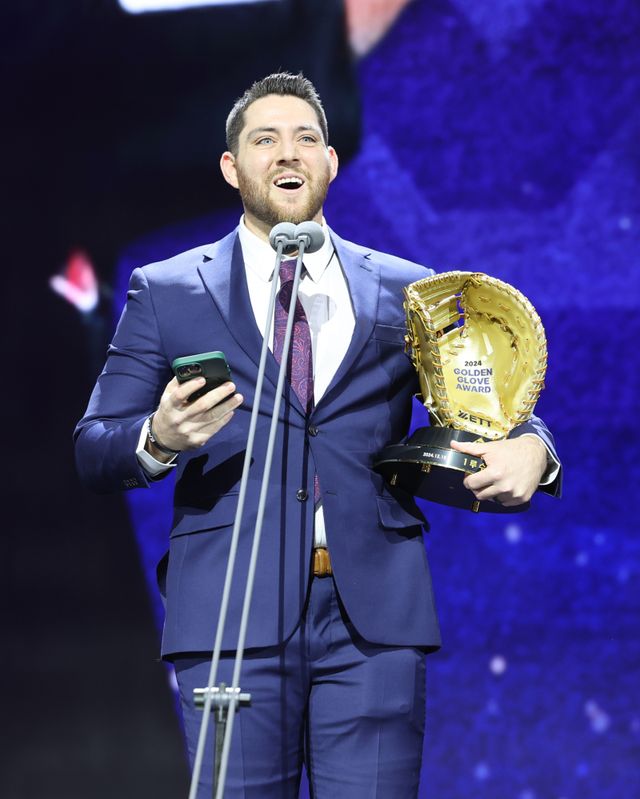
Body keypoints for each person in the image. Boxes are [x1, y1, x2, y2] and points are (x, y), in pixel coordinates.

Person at [75, 72, 561, 798]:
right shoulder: (168, 289)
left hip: (373, 623)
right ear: (231, 167)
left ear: (330, 163)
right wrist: (159, 436)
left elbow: (493, 412)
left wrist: (534, 449)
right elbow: (94, 446)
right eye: (264, 139)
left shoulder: (406, 289)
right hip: (231, 615)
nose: (287, 152)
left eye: (305, 138)